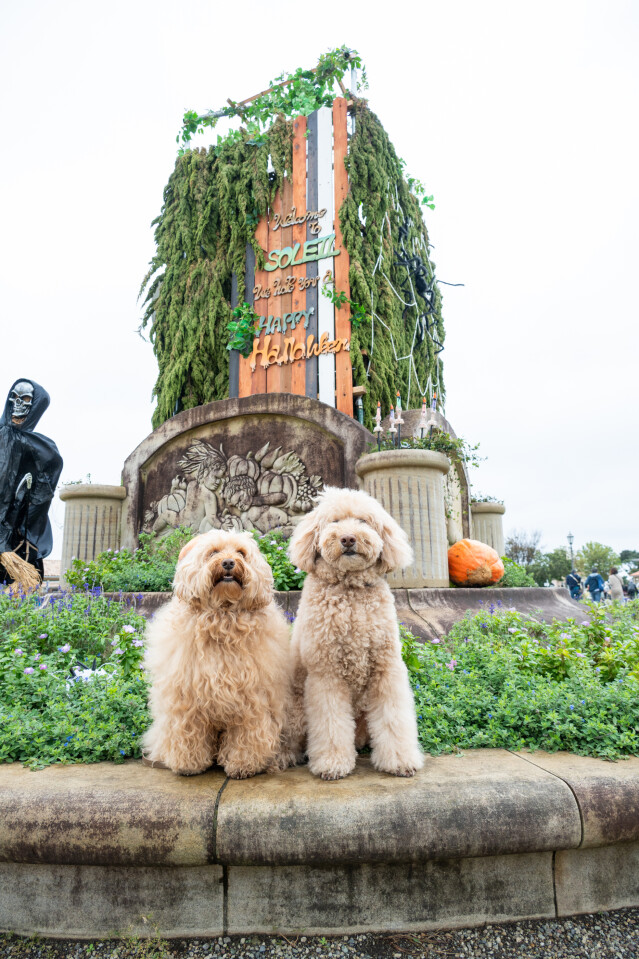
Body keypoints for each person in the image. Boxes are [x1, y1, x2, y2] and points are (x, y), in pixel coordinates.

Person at [0, 379, 63, 587]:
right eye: (14, 398)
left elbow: (39, 500)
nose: (17, 405)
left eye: (25, 400)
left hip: (17, 542)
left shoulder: (42, 450)